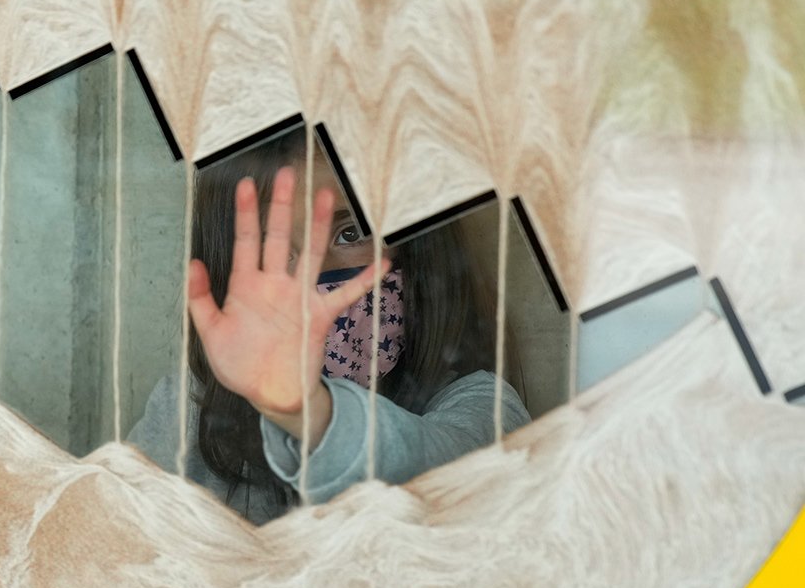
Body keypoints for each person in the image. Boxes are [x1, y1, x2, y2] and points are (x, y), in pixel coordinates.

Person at [129, 132, 529, 523]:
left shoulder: (484, 407)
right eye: (277, 248)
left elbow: (445, 483)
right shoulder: (185, 411)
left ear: (417, 247)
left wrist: (304, 409)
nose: (313, 277)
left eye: (350, 233)